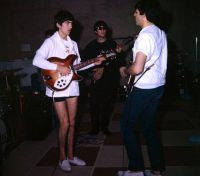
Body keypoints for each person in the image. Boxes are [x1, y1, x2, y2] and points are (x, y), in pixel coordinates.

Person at [32, 10, 105, 172]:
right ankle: (61, 158)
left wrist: (95, 62)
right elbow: (36, 60)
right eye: (66, 23)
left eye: (71, 23)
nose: (70, 26)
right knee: (64, 124)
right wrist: (58, 67)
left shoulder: (73, 44)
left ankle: (71, 156)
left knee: (72, 123)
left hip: (72, 86)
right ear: (58, 24)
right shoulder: (51, 42)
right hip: (57, 88)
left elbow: (78, 66)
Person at [118, 0, 167, 176]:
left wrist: (126, 70)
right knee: (149, 127)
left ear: (142, 12)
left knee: (126, 125)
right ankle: (157, 168)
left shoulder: (145, 34)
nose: (133, 15)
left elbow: (137, 68)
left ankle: (136, 169)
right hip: (158, 87)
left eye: (135, 12)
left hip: (144, 89)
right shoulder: (160, 32)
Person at [82, 20, 127, 136]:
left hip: (110, 79)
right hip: (96, 80)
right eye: (99, 28)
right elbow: (84, 63)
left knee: (107, 105)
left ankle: (104, 127)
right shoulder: (91, 46)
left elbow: (120, 58)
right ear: (95, 31)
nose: (102, 30)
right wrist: (91, 74)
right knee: (94, 104)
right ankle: (95, 128)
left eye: (104, 28)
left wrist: (122, 67)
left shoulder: (112, 44)